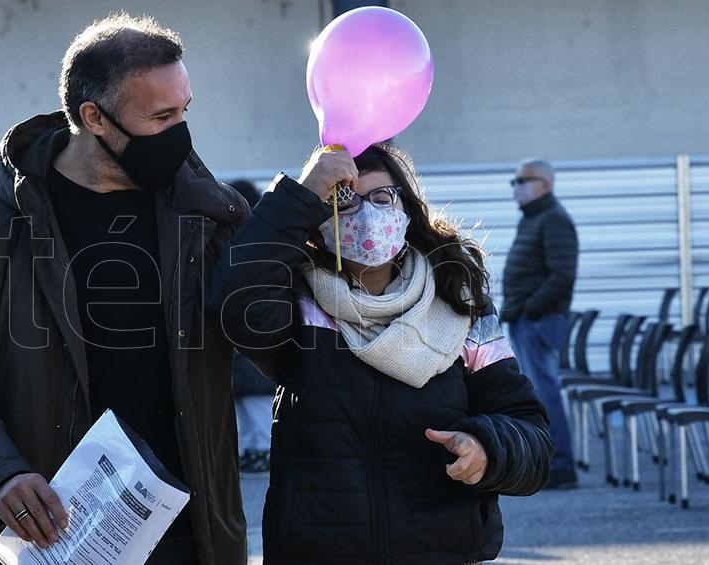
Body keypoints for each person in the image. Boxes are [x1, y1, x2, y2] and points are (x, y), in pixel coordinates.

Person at [0, 14, 248, 565]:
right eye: (161, 116)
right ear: (94, 117)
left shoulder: (210, 216)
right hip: (49, 534)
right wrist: (0, 476)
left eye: (185, 110)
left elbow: (292, 339)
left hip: (191, 534)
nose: (180, 132)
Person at [210, 143, 552, 564]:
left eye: (382, 198)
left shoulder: (458, 305)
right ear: (322, 217)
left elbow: (531, 433)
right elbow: (232, 302)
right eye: (345, 200)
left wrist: (488, 448)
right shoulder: (300, 306)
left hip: (437, 550)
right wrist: (300, 194)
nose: (368, 215)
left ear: (407, 209)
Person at [502, 158, 579, 490]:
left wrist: (530, 309)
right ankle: (551, 460)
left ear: (544, 185)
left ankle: (561, 465)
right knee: (538, 392)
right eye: (515, 180)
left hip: (540, 321)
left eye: (523, 180)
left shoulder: (553, 220)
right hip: (527, 318)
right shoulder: (535, 219)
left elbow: (562, 275)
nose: (516, 186)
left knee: (545, 393)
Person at [227, 180, 276, 474]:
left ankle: (260, 448)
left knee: (252, 398)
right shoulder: (263, 232)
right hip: (254, 334)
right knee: (250, 397)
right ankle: (256, 448)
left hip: (248, 334)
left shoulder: (244, 238)